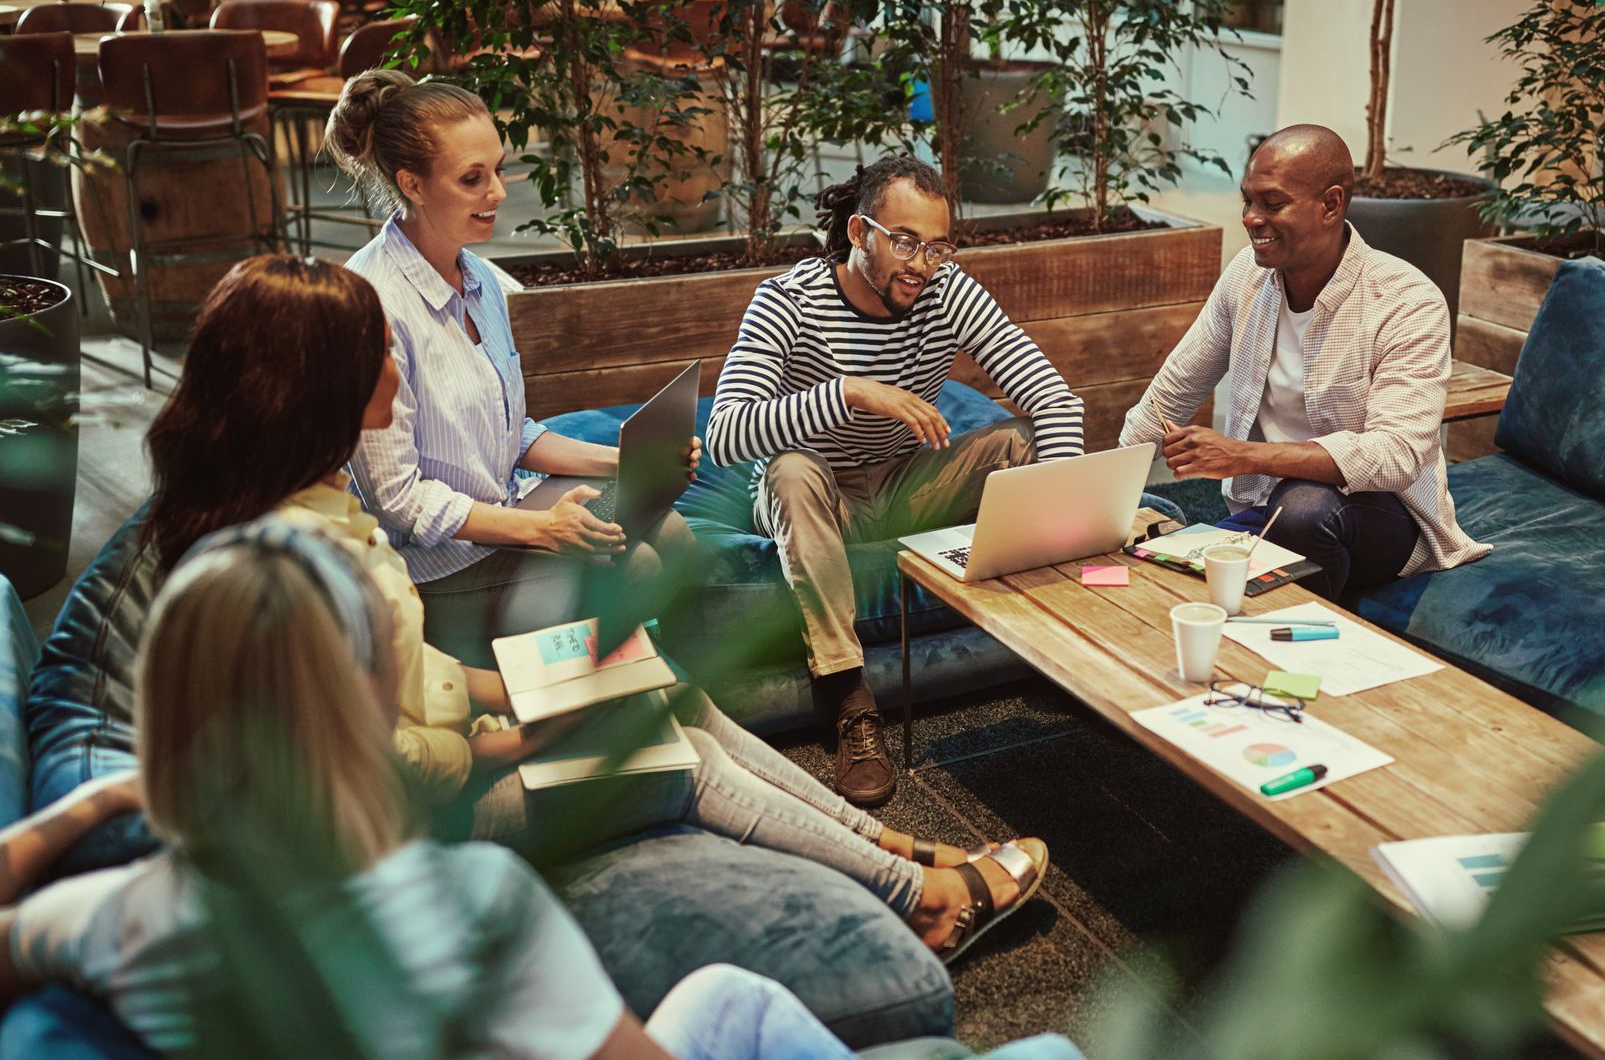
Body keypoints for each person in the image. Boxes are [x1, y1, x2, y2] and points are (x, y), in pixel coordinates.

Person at [0, 525, 1122, 1060]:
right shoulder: (465, 912)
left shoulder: (118, 920)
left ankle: (899, 877)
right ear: (355, 705)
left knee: (733, 999)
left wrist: (107, 799)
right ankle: (912, 898)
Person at [140, 254, 1043, 960]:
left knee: (662, 681)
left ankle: (890, 845)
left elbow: (415, 674)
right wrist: (537, 730)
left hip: (433, 743)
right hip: (396, 823)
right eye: (378, 352)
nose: (396, 367)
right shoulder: (295, 565)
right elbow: (395, 768)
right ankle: (921, 903)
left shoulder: (315, 497)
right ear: (316, 389)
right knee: (671, 754)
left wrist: (538, 679)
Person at [707, 154, 1086, 806]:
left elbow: (1054, 400)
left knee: (1018, 442)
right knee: (791, 470)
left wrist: (1065, 533)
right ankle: (849, 697)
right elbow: (726, 434)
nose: (922, 263)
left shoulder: (948, 290)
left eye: (937, 246)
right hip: (818, 494)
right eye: (905, 242)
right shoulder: (786, 300)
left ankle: (1057, 629)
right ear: (859, 233)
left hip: (907, 484)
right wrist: (849, 393)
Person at [322, 70, 698, 668]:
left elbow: (510, 432)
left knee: (673, 532)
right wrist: (541, 530)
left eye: (498, 169)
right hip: (437, 567)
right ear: (411, 184)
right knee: (640, 563)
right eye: (473, 179)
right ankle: (629, 705)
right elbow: (396, 498)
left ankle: (662, 691)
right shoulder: (372, 305)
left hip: (511, 513)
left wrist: (627, 461)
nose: (498, 192)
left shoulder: (481, 282)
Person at [1118, 124, 1490, 600]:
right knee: (1158, 541)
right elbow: (1172, 392)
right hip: (1268, 501)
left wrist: (1241, 455)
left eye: (1272, 204)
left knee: (1301, 511)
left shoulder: (1406, 299)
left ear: (1331, 205)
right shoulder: (1247, 278)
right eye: (1247, 201)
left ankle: (1303, 627)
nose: (1252, 219)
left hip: (1381, 514)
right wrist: (1108, 489)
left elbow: (1395, 456)